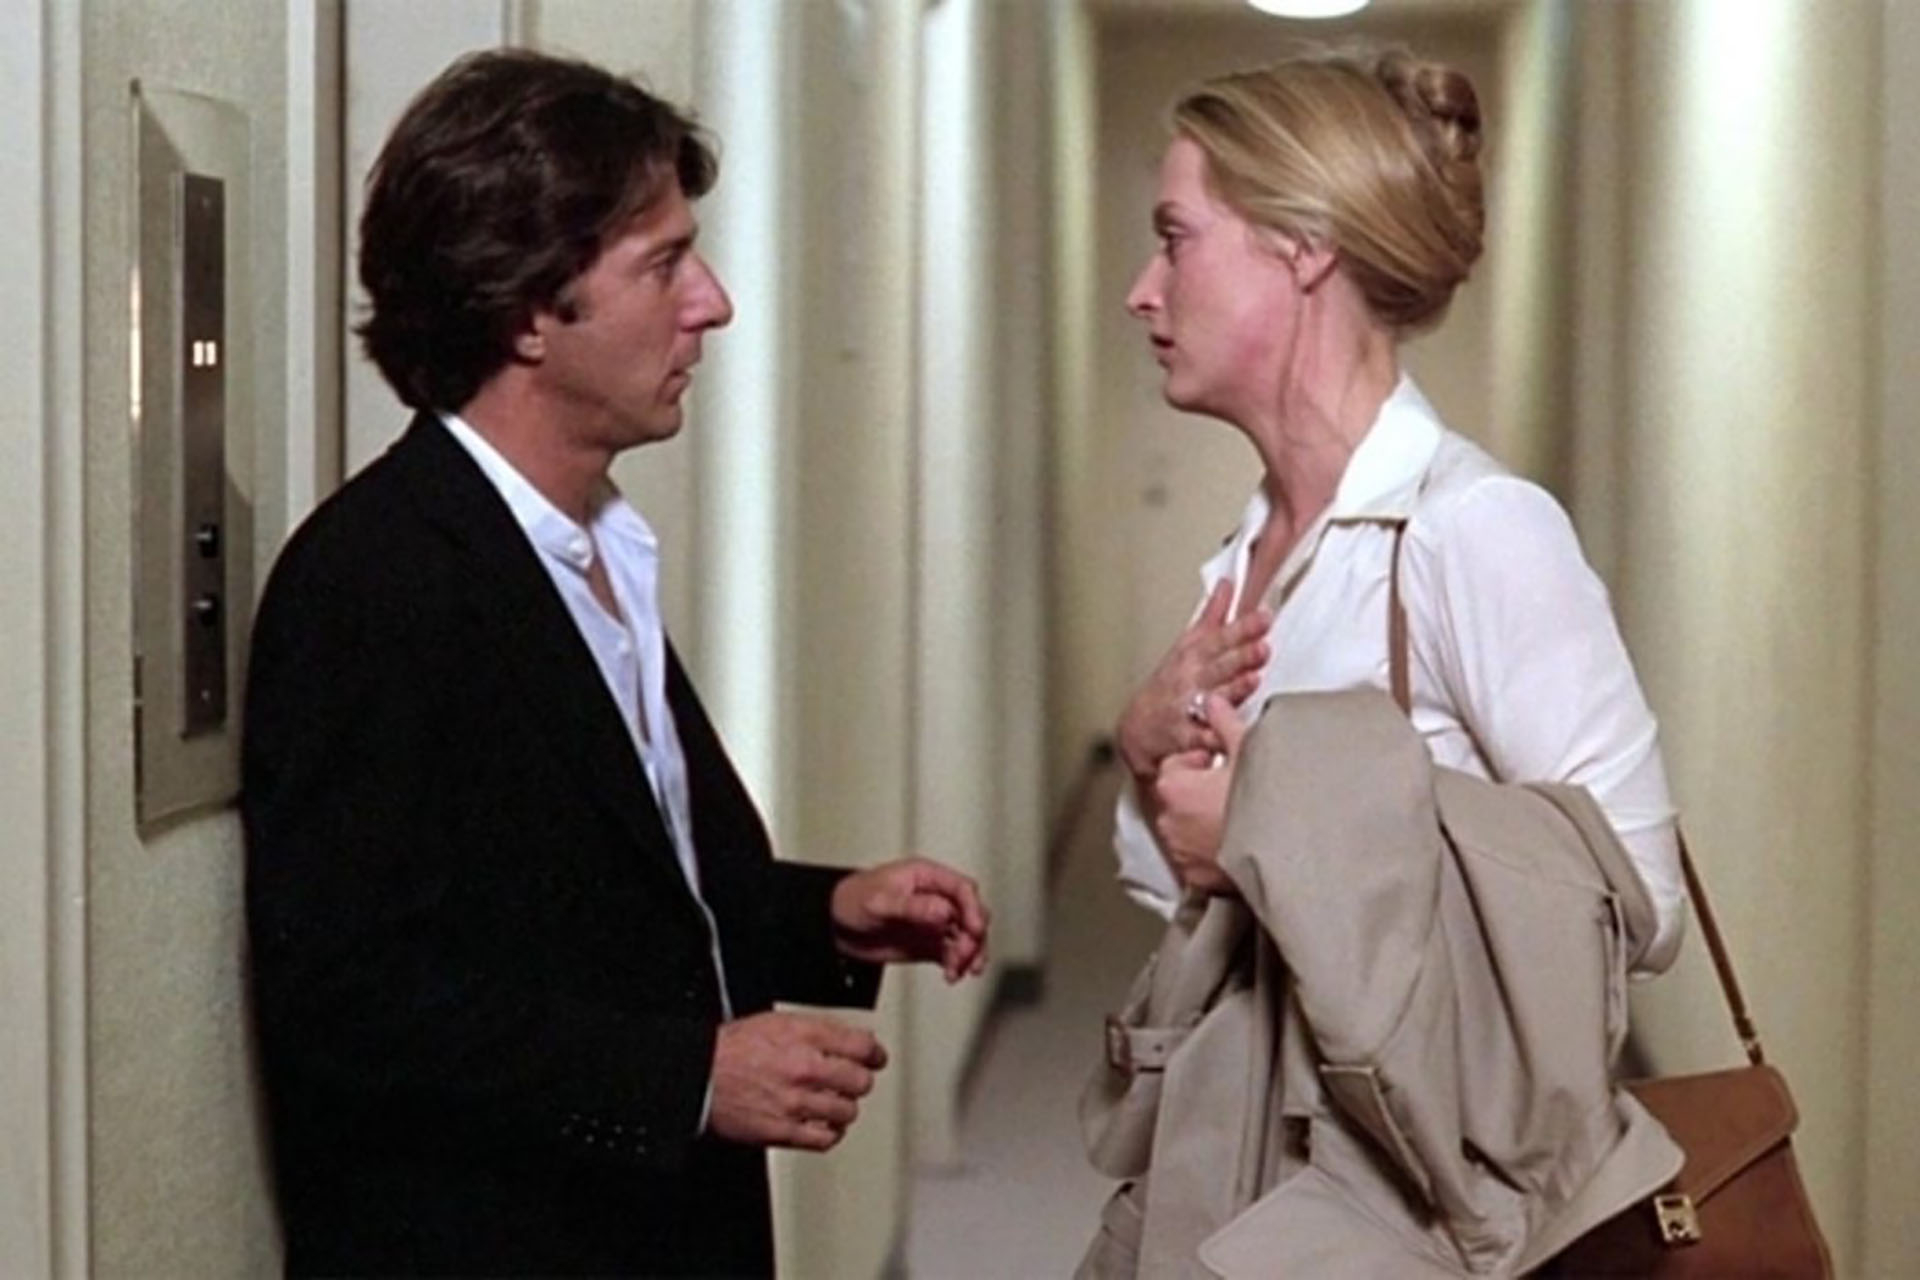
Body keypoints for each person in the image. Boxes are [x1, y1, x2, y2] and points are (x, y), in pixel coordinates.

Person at [242, 49, 988, 1278]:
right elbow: (351, 1002)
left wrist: (826, 914)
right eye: (664, 264)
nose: (714, 303)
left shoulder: (599, 546)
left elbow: (607, 899)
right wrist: (688, 1077)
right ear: (529, 311)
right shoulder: (375, 580)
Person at [1110, 47, 1684, 974]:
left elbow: (1641, 904)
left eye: (1176, 240)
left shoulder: (1475, 529)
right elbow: (1193, 895)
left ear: (1304, 245)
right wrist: (1145, 754)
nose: (1142, 292)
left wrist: (1273, 837)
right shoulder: (1251, 551)